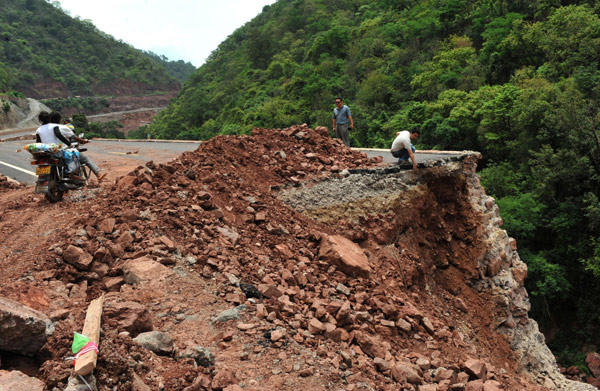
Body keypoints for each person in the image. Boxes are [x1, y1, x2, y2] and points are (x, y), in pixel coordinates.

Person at [36, 111, 106, 182]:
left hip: (46, 152)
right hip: (57, 150)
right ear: (58, 119)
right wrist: (69, 144)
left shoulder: (38, 129)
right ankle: (96, 174)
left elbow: (38, 143)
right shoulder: (56, 126)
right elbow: (59, 135)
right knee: (80, 157)